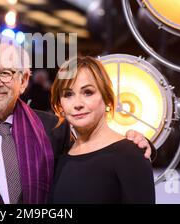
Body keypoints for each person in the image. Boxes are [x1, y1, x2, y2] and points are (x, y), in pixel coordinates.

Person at [0, 33, 153, 204]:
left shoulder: (53, 129)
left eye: (5, 73)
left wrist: (139, 144)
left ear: (23, 81)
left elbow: (96, 161)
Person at [49, 56, 155, 203]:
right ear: (60, 105)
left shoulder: (130, 154)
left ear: (106, 97)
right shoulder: (59, 157)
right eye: (68, 94)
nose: (78, 104)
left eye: (88, 92)